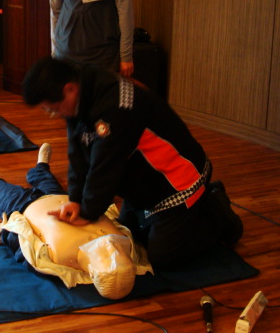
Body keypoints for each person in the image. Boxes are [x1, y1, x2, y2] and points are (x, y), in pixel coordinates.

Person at [21, 56, 244, 270]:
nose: (56, 114)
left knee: (162, 256)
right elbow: (77, 153)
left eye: (54, 109)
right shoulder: (80, 92)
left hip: (179, 181)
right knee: (130, 237)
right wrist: (76, 200)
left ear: (69, 89)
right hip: (143, 181)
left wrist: (88, 212)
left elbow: (104, 167)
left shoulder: (115, 106)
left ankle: (218, 212)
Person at [0, 144, 152, 299]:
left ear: (91, 273)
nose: (112, 249)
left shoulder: (60, 261)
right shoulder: (128, 245)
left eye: (107, 258)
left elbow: (24, 249)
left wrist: (6, 232)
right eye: (120, 256)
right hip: (65, 201)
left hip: (22, 205)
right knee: (44, 178)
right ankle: (41, 166)